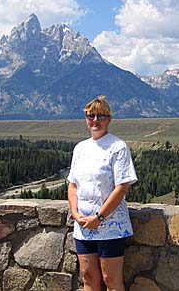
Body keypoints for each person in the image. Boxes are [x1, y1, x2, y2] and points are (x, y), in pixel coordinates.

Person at [68, 96, 137, 291]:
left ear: (109, 119)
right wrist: (75, 213)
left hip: (111, 225)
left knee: (110, 280)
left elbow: (122, 187)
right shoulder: (80, 148)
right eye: (91, 116)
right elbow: (73, 185)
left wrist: (99, 217)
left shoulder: (118, 147)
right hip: (83, 226)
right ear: (86, 118)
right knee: (88, 277)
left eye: (101, 116)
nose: (95, 120)